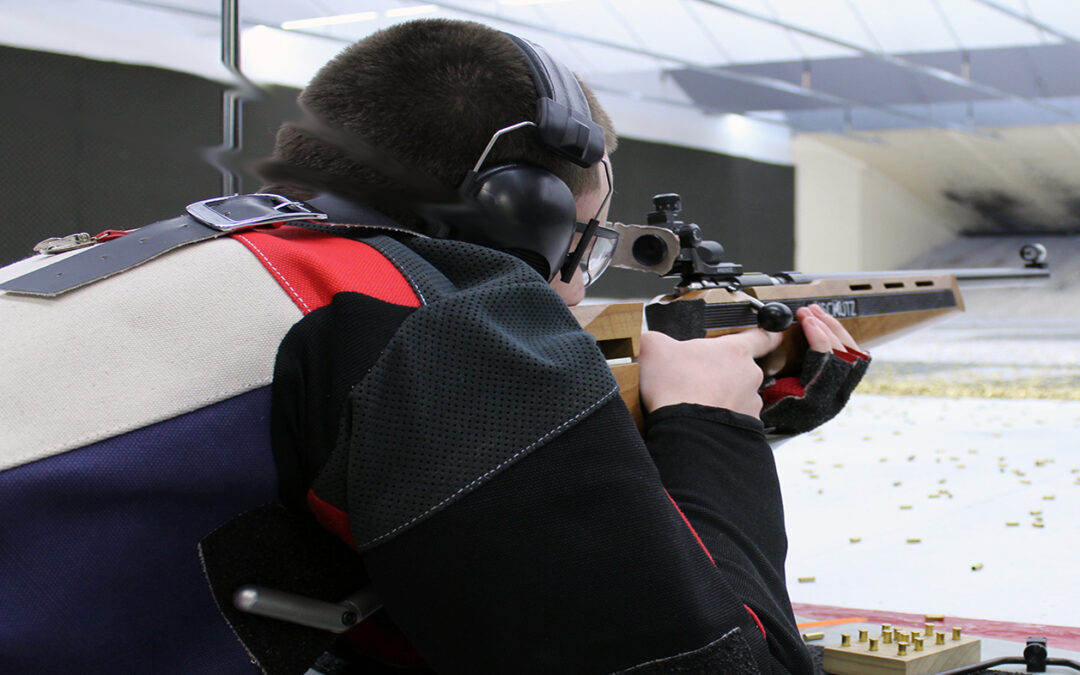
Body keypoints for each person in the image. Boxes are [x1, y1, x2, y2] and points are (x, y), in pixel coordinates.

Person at [0, 18, 863, 675]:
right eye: (586, 244)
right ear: (523, 213)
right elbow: (715, 662)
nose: (581, 287)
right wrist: (713, 427)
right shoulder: (426, 327)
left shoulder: (113, 263)